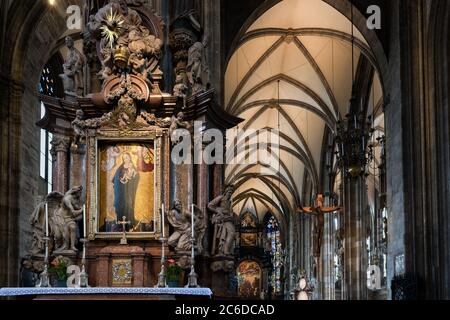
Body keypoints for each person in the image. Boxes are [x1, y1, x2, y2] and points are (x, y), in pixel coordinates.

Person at [112, 153, 140, 227]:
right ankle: (119, 223)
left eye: (127, 158)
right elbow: (116, 178)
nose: (125, 160)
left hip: (129, 191)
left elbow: (136, 176)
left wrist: (132, 177)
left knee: (129, 204)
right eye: (124, 158)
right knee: (120, 204)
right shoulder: (120, 167)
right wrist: (119, 180)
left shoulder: (132, 167)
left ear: (130, 158)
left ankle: (130, 223)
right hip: (121, 191)